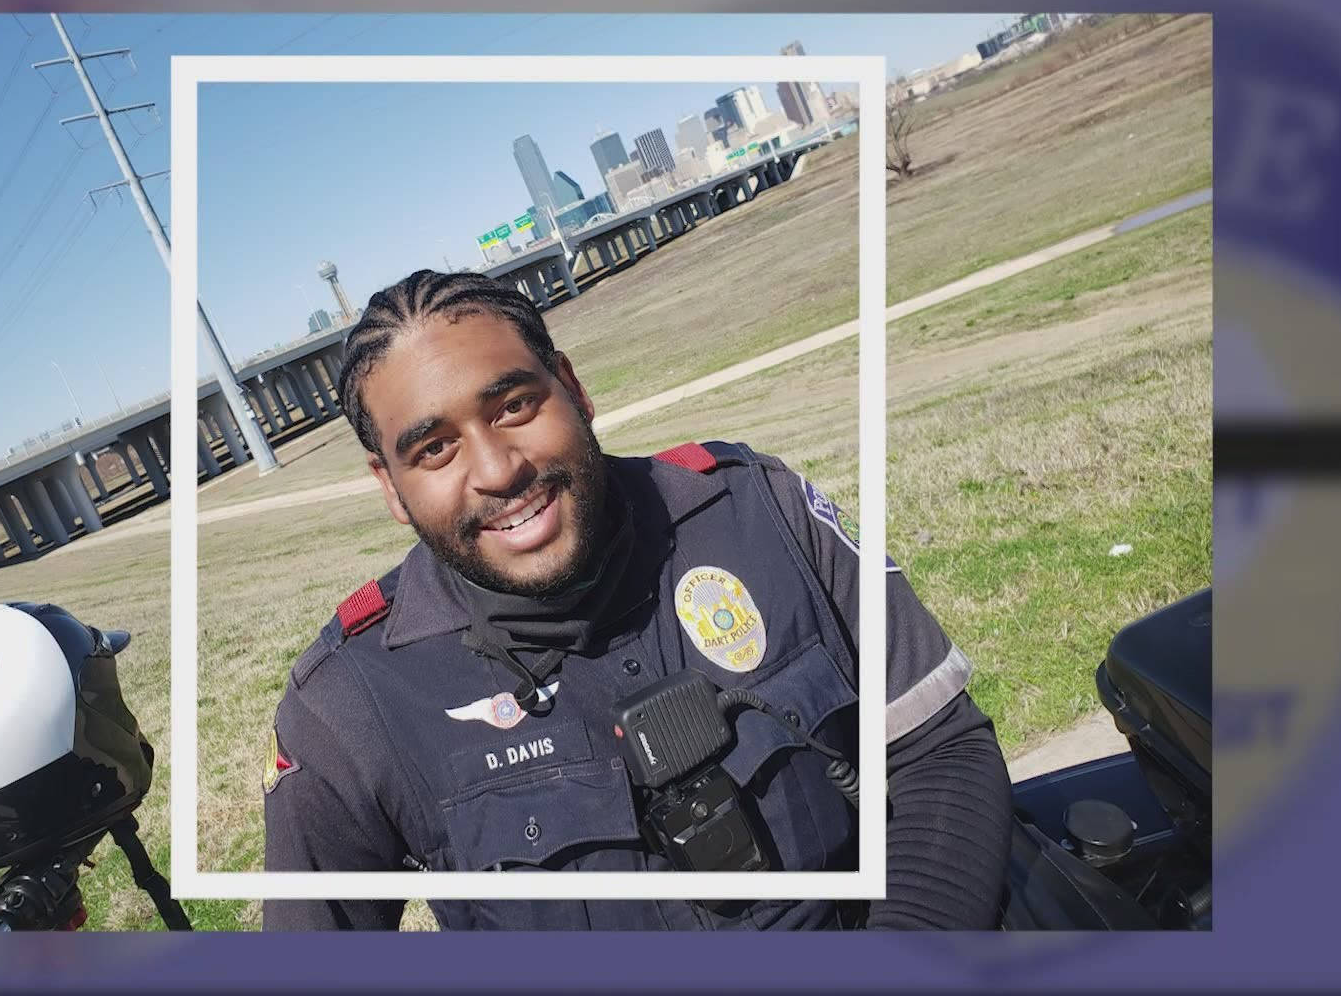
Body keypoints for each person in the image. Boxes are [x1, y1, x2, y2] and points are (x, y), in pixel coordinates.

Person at [262, 270, 1011, 930]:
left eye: (515, 405)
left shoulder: (761, 513)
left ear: (573, 388)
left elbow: (937, 752)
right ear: (390, 487)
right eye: (434, 449)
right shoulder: (350, 703)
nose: (496, 470)